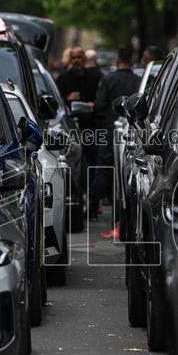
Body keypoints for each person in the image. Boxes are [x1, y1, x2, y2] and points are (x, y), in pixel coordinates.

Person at [94, 47, 140, 239]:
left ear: (118, 59)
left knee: (105, 170)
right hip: (135, 132)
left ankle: (95, 204)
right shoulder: (139, 81)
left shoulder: (108, 79)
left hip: (111, 129)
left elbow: (99, 105)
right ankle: (126, 218)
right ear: (131, 60)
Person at [56, 46, 102, 216]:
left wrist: (93, 105)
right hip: (70, 129)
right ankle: (75, 201)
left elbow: (102, 100)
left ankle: (94, 204)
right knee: (74, 167)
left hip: (92, 128)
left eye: (79, 57)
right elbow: (57, 104)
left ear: (84, 59)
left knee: (95, 164)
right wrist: (67, 100)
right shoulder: (62, 80)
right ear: (70, 60)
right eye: (73, 58)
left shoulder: (96, 77)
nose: (76, 61)